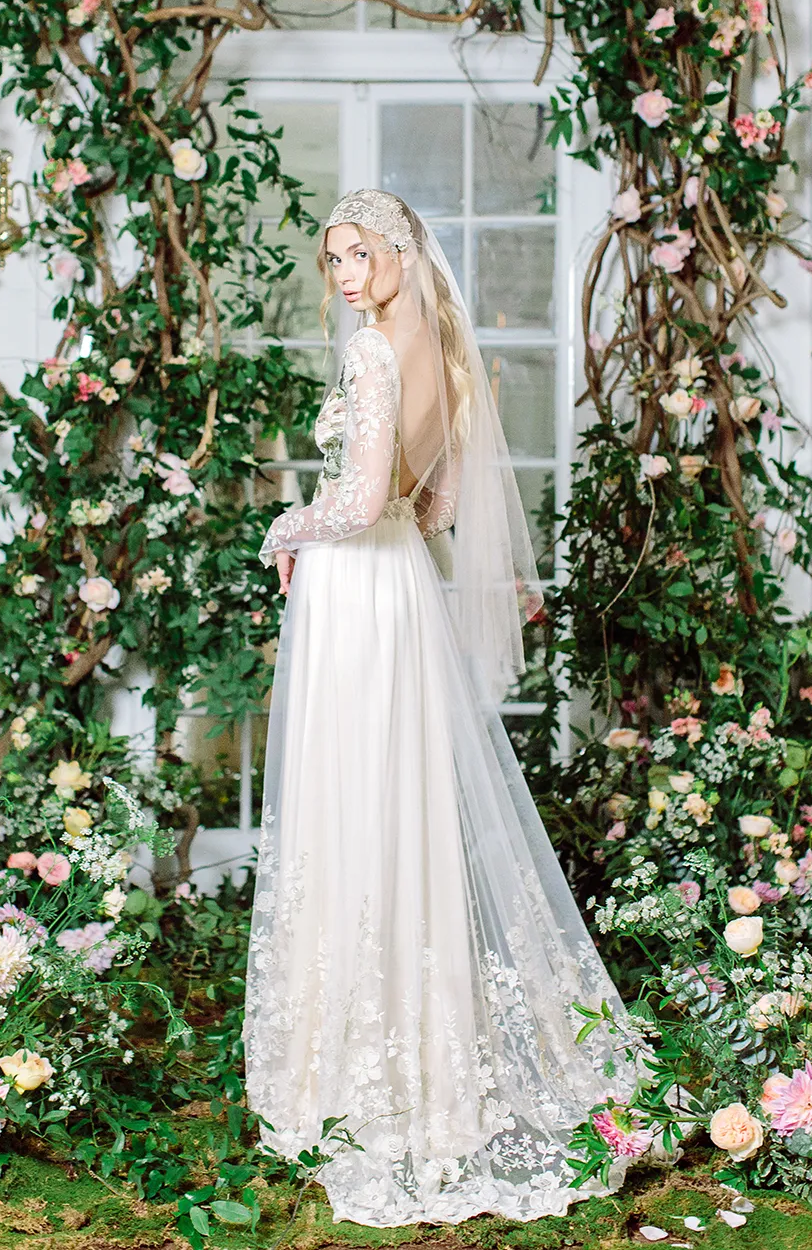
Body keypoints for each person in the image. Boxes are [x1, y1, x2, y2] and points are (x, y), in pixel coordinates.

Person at [243, 188, 643, 1227]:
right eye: (331, 259)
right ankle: (420, 1058)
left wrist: (288, 525)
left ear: (399, 252)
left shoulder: (376, 354)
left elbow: (363, 498)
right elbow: (441, 508)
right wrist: (370, 525)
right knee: (399, 804)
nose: (343, 275)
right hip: (402, 590)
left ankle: (353, 1074)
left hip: (355, 589)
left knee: (352, 803)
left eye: (358, 254)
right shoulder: (457, 356)